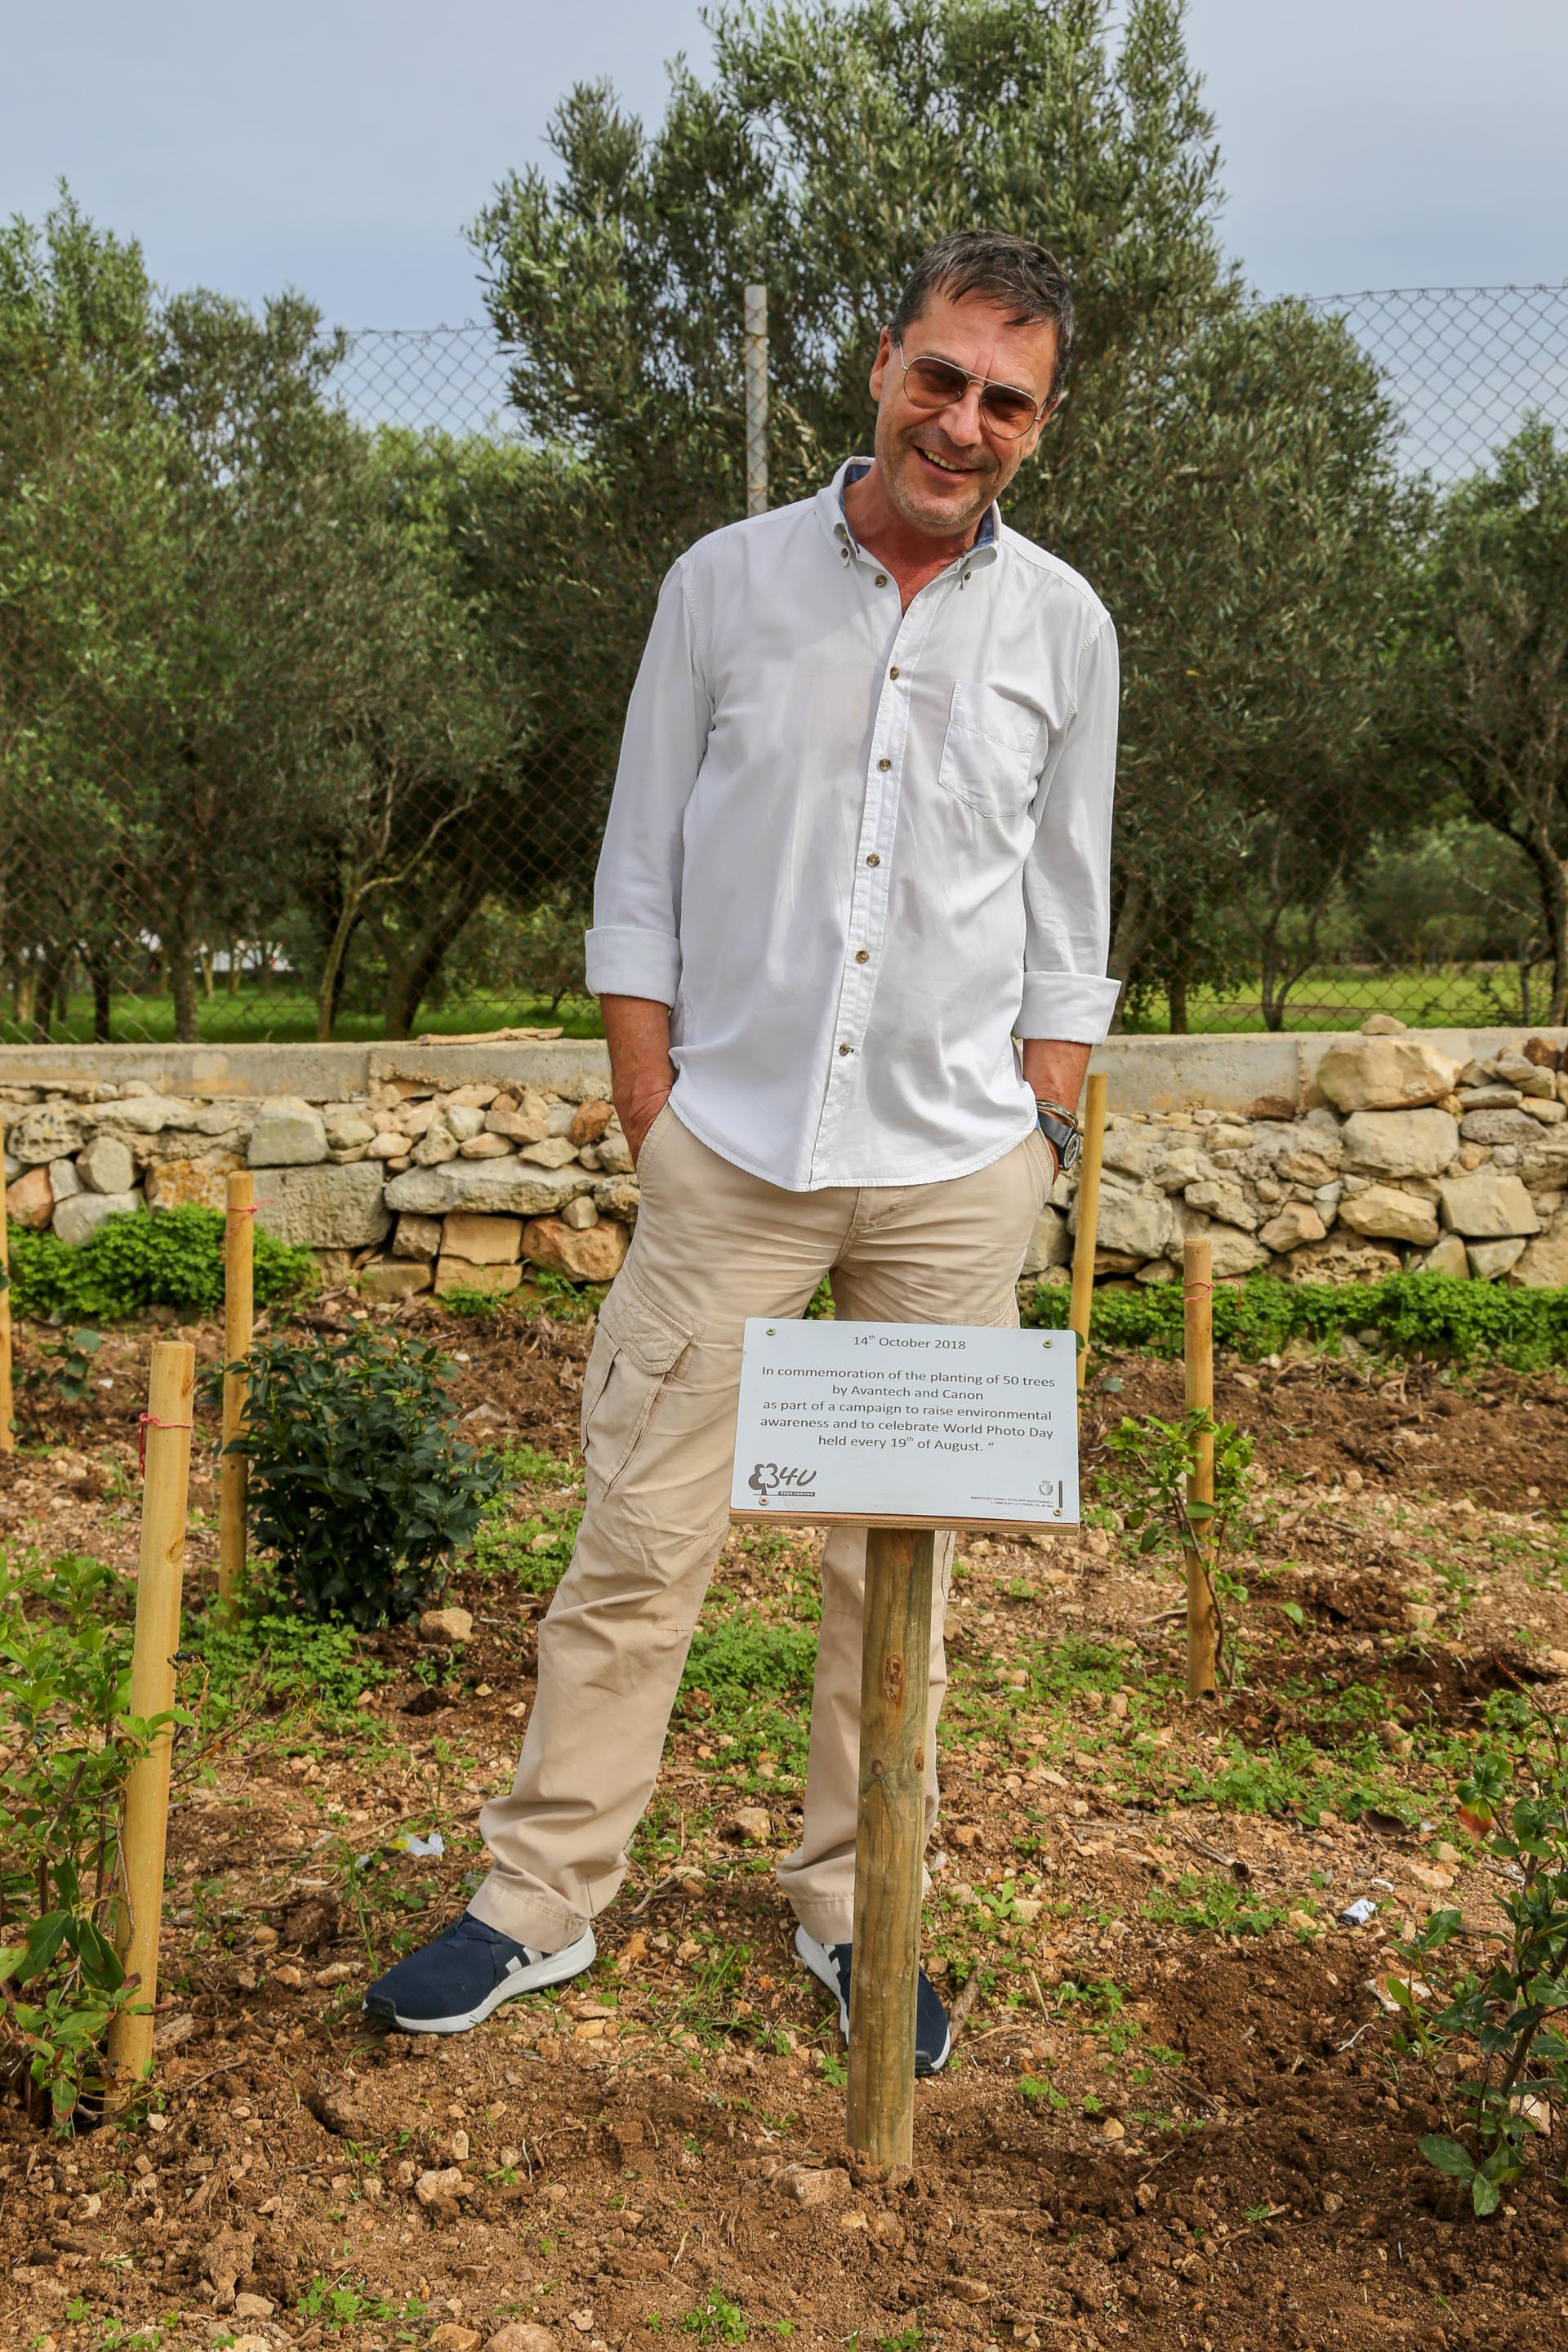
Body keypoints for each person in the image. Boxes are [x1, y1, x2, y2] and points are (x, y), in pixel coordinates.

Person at [365, 229, 1120, 2068]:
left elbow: (1069, 910)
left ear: (1042, 421)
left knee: (900, 1571)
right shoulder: (722, 583)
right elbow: (638, 866)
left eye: (1004, 399)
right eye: (939, 378)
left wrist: (1040, 1128)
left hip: (954, 1176)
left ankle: (866, 1918)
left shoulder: (1067, 629)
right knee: (640, 1533)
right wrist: (653, 1107)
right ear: (884, 366)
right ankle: (537, 1901)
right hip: (735, 1153)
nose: (963, 421)